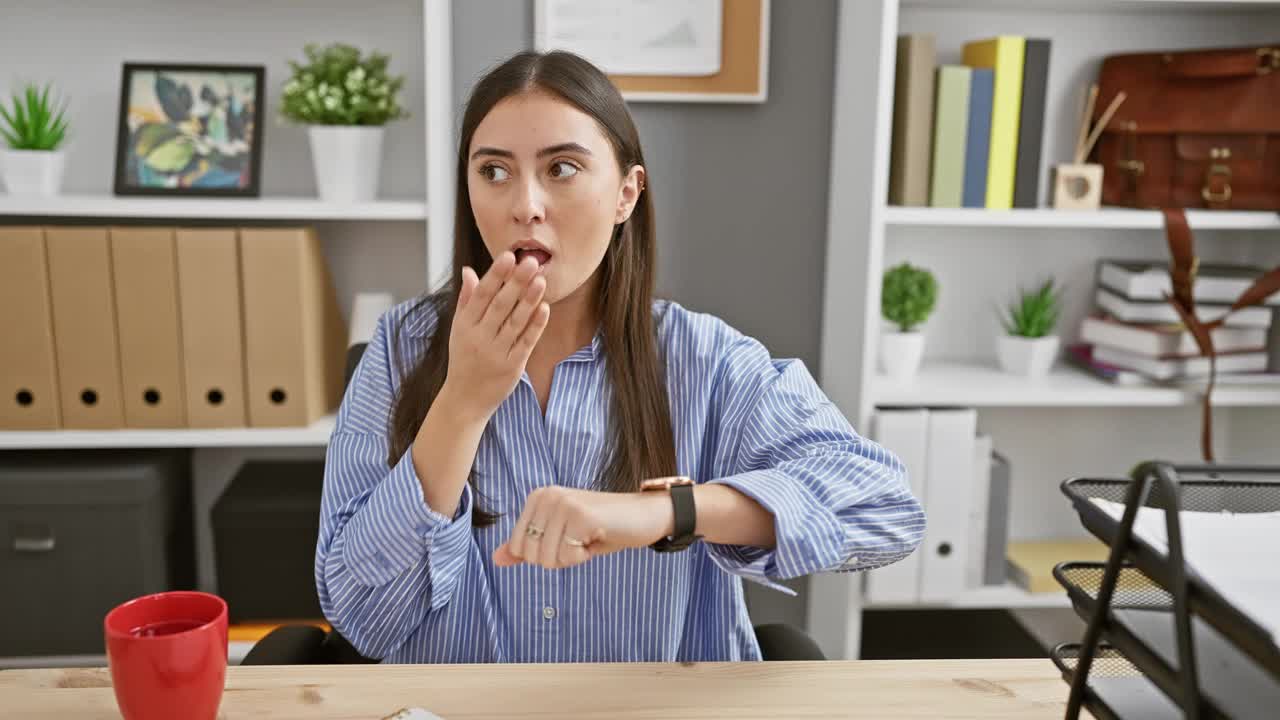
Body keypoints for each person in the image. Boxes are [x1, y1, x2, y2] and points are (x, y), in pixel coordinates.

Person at [315, 50, 924, 664]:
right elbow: (363, 619)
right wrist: (462, 406)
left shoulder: (703, 359)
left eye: (562, 168)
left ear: (626, 194)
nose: (524, 204)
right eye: (494, 172)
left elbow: (887, 512)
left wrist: (666, 511)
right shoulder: (400, 350)